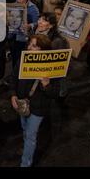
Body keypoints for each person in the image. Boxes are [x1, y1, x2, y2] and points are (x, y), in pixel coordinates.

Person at [9, 35, 61, 167]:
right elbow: (14, 77)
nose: (29, 48)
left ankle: (25, 163)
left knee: (31, 135)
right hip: (22, 103)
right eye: (29, 45)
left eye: (34, 46)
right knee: (25, 129)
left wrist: (46, 85)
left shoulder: (53, 67)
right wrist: (13, 94)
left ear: (43, 50)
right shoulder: (23, 58)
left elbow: (54, 94)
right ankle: (27, 147)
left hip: (39, 108)